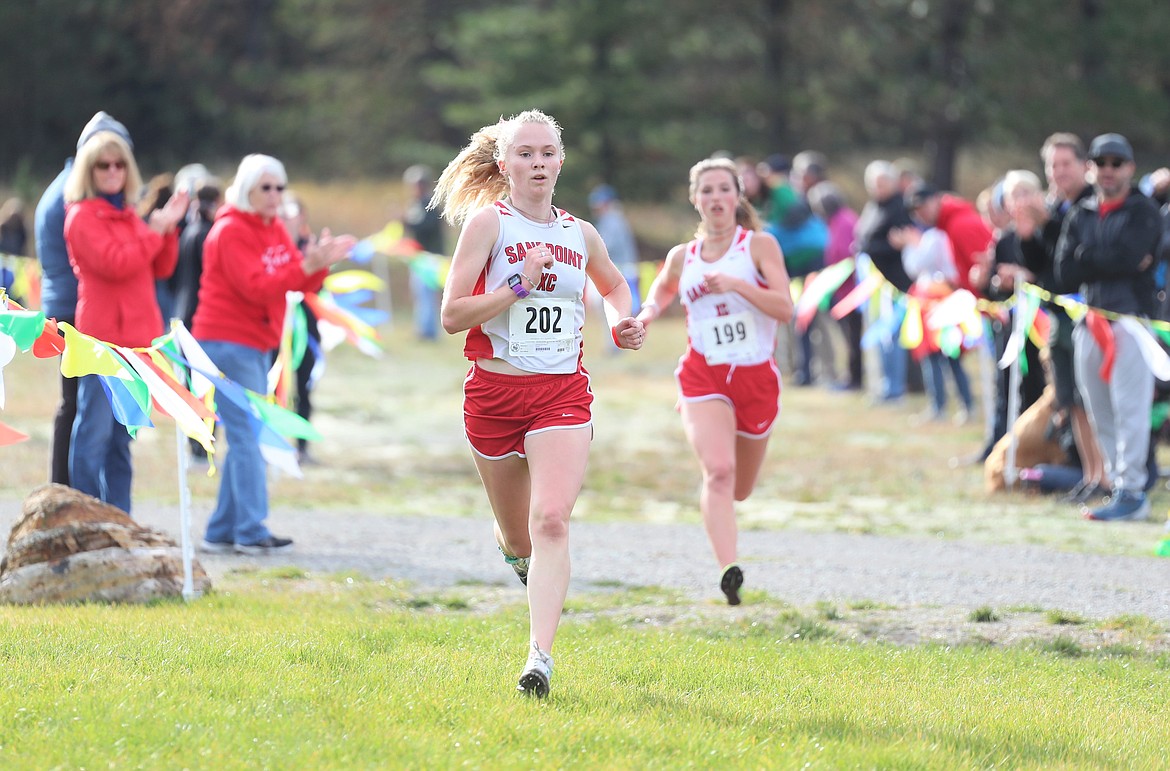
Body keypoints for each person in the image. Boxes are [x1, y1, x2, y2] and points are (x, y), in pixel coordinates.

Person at [430, 109, 644, 698]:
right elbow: (451, 317)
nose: (538, 163)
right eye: (525, 153)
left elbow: (615, 286)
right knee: (519, 536)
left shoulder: (581, 234)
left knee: (551, 519)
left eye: (548, 152)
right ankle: (513, 552)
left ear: (561, 160)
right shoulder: (488, 225)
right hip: (495, 395)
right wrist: (517, 286)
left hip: (561, 393)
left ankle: (538, 661)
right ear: (504, 163)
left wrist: (622, 320)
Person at [636, 156, 793, 607]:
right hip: (702, 376)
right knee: (718, 471)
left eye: (724, 189)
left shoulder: (759, 246)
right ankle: (729, 571)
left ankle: (727, 542)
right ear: (695, 200)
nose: (716, 198)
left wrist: (738, 286)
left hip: (756, 378)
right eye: (707, 190)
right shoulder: (682, 257)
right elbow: (661, 291)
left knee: (739, 486)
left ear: (737, 196)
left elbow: (785, 308)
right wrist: (645, 317)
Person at [193, 154, 354, 554]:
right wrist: (307, 265)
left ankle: (220, 531)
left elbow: (296, 284)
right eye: (265, 187)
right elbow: (256, 287)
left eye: (279, 187)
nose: (274, 195)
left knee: (245, 435)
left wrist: (318, 264)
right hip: (226, 341)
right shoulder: (229, 230)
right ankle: (250, 530)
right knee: (248, 435)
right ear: (246, 189)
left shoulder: (273, 228)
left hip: (254, 341)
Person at [63, 130, 188, 513]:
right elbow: (117, 264)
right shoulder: (81, 217)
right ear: (90, 170)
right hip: (102, 344)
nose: (113, 171)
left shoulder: (131, 215)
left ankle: (120, 519)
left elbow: (160, 267)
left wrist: (167, 232)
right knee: (93, 435)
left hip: (138, 343)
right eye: (104, 165)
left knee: (122, 438)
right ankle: (85, 516)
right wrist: (155, 231)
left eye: (120, 164)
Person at [1054, 133, 1162, 521]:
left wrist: (1090, 257)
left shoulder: (1143, 211)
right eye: (1101, 163)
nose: (1109, 170)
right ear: (1092, 168)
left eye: (1116, 163)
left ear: (1130, 168)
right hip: (1090, 320)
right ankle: (1121, 487)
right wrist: (1103, 259)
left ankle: (1133, 489)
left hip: (1129, 322)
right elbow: (1064, 271)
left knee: (1130, 408)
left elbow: (1129, 257)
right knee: (1099, 408)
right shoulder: (1080, 211)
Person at [34, 111, 133, 486]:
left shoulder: (61, 188)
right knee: (82, 409)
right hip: (80, 311)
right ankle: (67, 490)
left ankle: (64, 487)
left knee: (75, 405)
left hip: (67, 308)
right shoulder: (75, 197)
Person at [1017, 133, 1107, 504]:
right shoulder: (1054, 206)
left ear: (1084, 166)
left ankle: (1107, 475)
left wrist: (1048, 224)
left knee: (1094, 401)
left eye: (1065, 164)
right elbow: (1044, 268)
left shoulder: (1092, 204)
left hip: (1092, 319)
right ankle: (1091, 476)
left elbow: (1076, 260)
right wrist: (1027, 235)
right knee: (1071, 401)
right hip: (1059, 320)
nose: (1058, 172)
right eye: (1052, 165)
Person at [855, 160, 915, 403]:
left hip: (896, 286)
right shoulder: (872, 207)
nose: (878, 188)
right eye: (874, 184)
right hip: (875, 285)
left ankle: (896, 388)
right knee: (880, 337)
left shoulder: (900, 208)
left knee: (894, 339)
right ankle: (884, 385)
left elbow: (898, 243)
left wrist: (871, 247)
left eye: (882, 183)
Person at [280, 190, 324, 465]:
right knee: (275, 388)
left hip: (305, 328)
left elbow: (318, 289)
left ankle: (302, 447)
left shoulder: (311, 245)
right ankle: (274, 444)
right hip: (277, 330)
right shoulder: (275, 246)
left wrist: (316, 264)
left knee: (303, 389)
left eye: (295, 213)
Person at [807, 180, 863, 390]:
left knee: (853, 336)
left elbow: (849, 255)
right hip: (841, 290)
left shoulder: (845, 222)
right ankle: (851, 376)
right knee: (848, 337)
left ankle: (855, 379)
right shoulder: (834, 222)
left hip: (852, 291)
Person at [402, 164, 446, 341]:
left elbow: (426, 227)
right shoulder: (416, 203)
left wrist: (407, 222)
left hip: (429, 256)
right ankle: (424, 328)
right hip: (418, 256)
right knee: (420, 293)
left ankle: (430, 331)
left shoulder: (429, 203)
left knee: (427, 292)